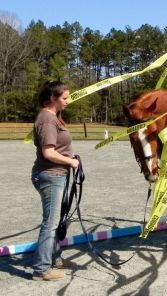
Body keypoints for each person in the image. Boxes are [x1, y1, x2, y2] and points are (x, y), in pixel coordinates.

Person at [31, 81, 79, 281]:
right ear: (53, 98)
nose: (68, 101)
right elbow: (48, 152)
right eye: (65, 98)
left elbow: (56, 148)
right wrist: (70, 161)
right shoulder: (47, 120)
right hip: (51, 175)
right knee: (50, 223)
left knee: (55, 220)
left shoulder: (52, 117)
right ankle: (41, 269)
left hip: (56, 174)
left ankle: (54, 258)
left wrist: (69, 156)